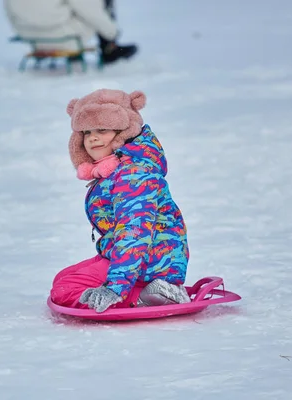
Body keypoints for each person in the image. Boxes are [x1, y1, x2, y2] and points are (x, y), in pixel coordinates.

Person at [50, 89, 191, 313]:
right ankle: (147, 290)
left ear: (123, 133)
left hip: (152, 261)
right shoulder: (119, 169)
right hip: (137, 259)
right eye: (86, 132)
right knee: (64, 279)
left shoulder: (133, 173)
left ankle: (157, 294)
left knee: (65, 289)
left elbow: (134, 231)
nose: (92, 138)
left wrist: (115, 288)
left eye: (102, 130)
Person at [3, 0, 137, 65]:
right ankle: (109, 48)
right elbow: (91, 12)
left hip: (29, 36)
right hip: (64, 36)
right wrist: (112, 32)